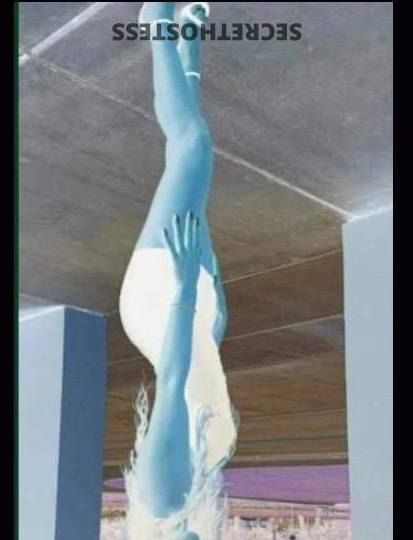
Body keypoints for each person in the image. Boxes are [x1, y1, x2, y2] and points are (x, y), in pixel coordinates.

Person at [119, 3, 238, 538]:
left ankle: (157, 24)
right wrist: (216, 316)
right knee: (194, 168)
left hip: (162, 301)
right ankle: (190, 34)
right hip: (194, 319)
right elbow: (205, 385)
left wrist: (188, 283)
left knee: (191, 149)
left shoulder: (164, 496)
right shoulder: (200, 498)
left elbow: (171, 384)